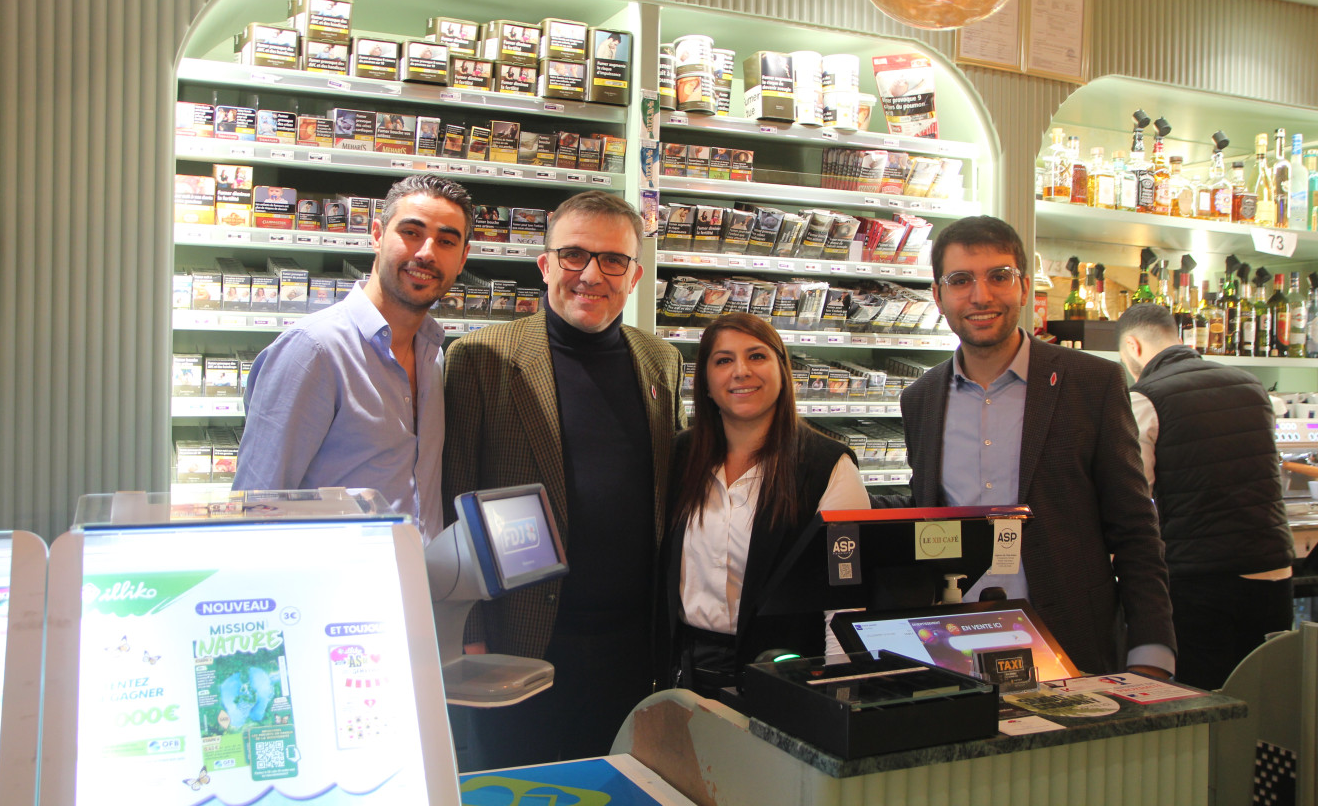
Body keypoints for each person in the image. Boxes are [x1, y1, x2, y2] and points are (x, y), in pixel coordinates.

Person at [442, 190, 685, 769]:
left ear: (635, 275)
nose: (591, 275)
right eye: (574, 255)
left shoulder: (661, 362)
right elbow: (454, 504)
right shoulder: (480, 358)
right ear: (546, 264)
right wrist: (469, 634)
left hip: (633, 650)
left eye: (613, 260)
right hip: (522, 642)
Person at [896, 216, 1177, 677]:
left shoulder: (1092, 383)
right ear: (938, 296)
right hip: (952, 645)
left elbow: (1135, 529)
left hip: (1068, 643)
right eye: (960, 280)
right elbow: (928, 516)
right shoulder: (920, 400)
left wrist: (1151, 652)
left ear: (1024, 287)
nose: (981, 296)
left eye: (998, 277)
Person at [233, 175, 472, 538]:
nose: (426, 252)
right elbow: (254, 507)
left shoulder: (432, 356)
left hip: (418, 587)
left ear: (462, 258)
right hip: (332, 590)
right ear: (376, 235)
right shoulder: (313, 352)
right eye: (411, 232)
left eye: (446, 241)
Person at [662, 313, 869, 698]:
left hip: (784, 678)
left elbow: (845, 600)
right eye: (723, 360)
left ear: (782, 370)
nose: (741, 371)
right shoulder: (679, 456)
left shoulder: (829, 467)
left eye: (756, 356)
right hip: (685, 674)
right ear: (705, 382)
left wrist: (843, 692)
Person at [1116, 303, 1294, 690]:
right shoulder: (1250, 384)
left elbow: (1132, 496)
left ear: (1133, 345)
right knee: (1265, 692)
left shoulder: (1147, 396)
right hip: (1272, 567)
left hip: (1200, 578)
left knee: (1203, 699)